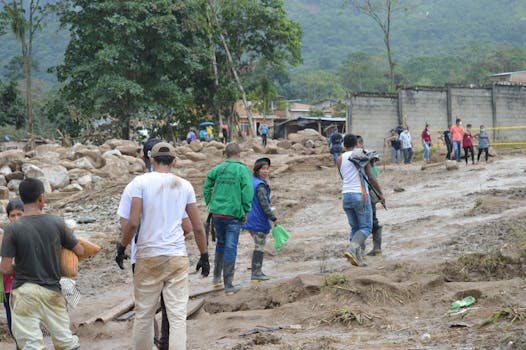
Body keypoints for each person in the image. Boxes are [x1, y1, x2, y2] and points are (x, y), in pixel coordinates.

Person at [118, 142, 209, 350]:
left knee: (144, 314)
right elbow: (196, 226)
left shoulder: (139, 183)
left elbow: (132, 223)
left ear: (151, 159)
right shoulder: (184, 185)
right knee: (177, 316)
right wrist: (204, 255)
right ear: (174, 161)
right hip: (176, 256)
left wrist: (122, 247)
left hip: (147, 256)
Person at [0, 178, 84, 349]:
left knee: (31, 345)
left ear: (22, 200)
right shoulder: (57, 223)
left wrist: (22, 264)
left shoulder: (12, 229)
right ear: (41, 199)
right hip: (52, 291)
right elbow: (80, 251)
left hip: (24, 293)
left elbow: (5, 268)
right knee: (66, 342)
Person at [203, 143, 253, 295]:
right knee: (231, 247)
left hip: (217, 214)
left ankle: (217, 278)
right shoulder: (242, 169)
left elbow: (207, 185)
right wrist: (246, 209)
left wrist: (209, 203)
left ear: (225, 154)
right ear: (239, 153)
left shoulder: (219, 169)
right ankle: (229, 285)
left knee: (221, 243)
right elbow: (247, 191)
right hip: (233, 214)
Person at [337, 135, 385, 267]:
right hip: (360, 195)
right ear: (357, 144)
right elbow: (371, 177)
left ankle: (357, 259)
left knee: (355, 228)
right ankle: (352, 248)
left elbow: (343, 177)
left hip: (346, 195)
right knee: (366, 227)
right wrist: (380, 193)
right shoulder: (363, 155)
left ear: (344, 145)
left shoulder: (339, 158)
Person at [242, 158, 279, 282]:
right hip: (257, 219)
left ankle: (256, 272)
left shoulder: (252, 181)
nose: (266, 171)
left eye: (268, 168)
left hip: (250, 217)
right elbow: (265, 205)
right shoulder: (260, 185)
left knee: (259, 245)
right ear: (257, 170)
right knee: (259, 246)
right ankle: (256, 273)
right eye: (263, 169)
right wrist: (274, 218)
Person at [0, 199, 24, 338]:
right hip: (9, 289)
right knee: (13, 326)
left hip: (28, 286)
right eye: (12, 215)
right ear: (8, 217)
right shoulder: (4, 237)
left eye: (19, 214)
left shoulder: (31, 233)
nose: (16, 218)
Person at [355, 137, 383, 256]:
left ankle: (365, 250)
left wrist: (380, 193)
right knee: (369, 221)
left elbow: (372, 177)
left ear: (361, 144)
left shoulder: (365, 157)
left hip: (367, 192)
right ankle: (374, 249)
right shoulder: (364, 156)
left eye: (356, 145)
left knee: (364, 222)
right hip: (366, 192)